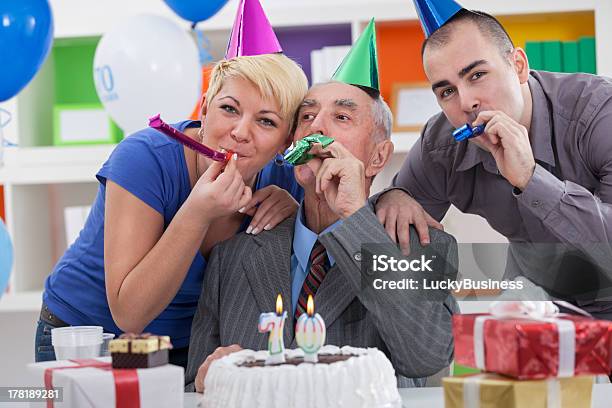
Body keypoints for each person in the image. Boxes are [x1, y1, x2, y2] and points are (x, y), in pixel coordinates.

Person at [35, 52, 309, 369]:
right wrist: (196, 213)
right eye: (229, 109)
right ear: (205, 109)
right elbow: (129, 314)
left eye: (266, 121)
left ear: (285, 140)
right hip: (90, 340)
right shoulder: (143, 158)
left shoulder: (286, 179)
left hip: (189, 348)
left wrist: (296, 217)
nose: (240, 132)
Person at [184, 80, 459, 392]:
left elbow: (428, 357)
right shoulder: (230, 257)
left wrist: (355, 216)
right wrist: (210, 378)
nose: (316, 127)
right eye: (307, 116)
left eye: (341, 117)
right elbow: (194, 385)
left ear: (379, 158)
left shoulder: (423, 246)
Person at [376, 5, 612, 316]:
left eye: (477, 75)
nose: (466, 102)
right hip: (531, 313)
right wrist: (391, 197)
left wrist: (531, 179)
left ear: (518, 66)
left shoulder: (599, 113)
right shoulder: (440, 145)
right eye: (447, 91)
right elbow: (387, 267)